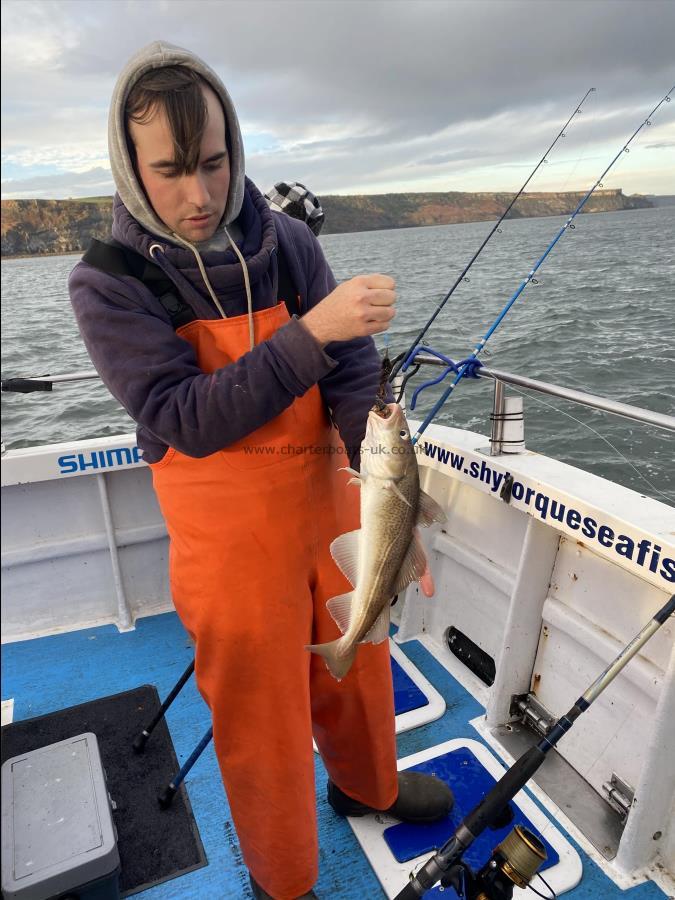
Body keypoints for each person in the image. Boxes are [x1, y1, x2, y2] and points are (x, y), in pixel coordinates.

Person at [69, 42, 452, 900]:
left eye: (213, 163)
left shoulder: (282, 241)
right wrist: (310, 333)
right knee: (261, 723)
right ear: (131, 167)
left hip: (326, 506)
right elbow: (183, 419)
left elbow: (352, 371)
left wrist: (382, 471)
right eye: (170, 171)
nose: (198, 194)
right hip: (226, 540)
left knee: (361, 669)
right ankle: (285, 882)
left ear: (234, 150)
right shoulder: (110, 283)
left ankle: (368, 788)